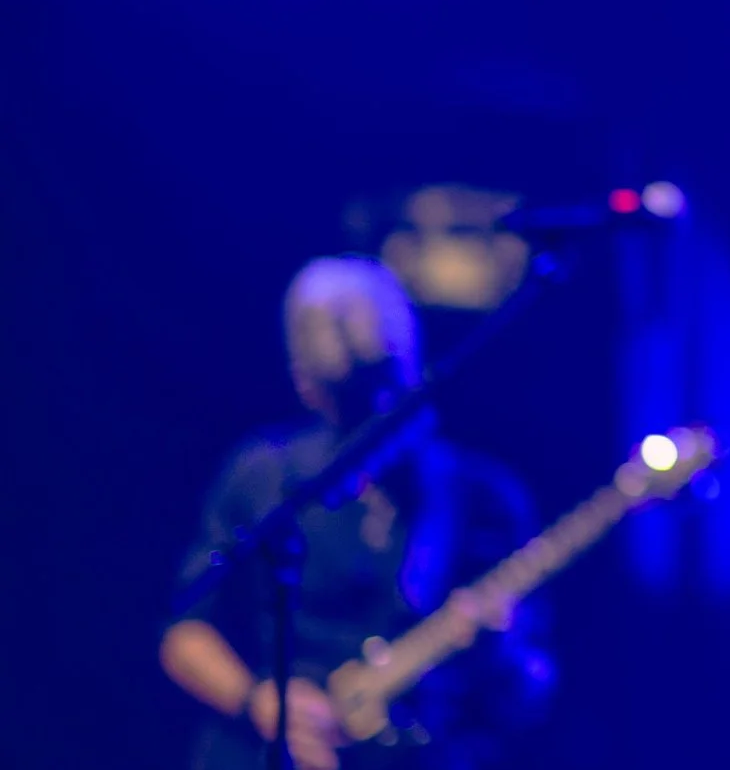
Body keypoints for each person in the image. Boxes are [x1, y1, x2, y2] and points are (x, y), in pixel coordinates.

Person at [160, 257, 552, 770]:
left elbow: (533, 688)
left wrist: (496, 652)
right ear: (307, 388)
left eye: (384, 392)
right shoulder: (264, 476)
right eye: (352, 403)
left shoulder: (484, 499)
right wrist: (260, 701)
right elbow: (184, 633)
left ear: (413, 363)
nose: (375, 421)